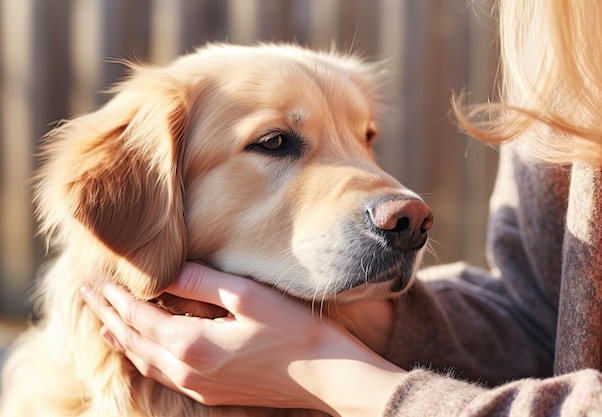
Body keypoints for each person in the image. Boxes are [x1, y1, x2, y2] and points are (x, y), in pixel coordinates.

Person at [82, 0, 602, 415]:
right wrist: (374, 323)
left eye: (365, 138)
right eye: (276, 142)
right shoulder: (566, 42)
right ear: (146, 195)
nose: (397, 203)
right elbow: (547, 323)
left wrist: (329, 372)